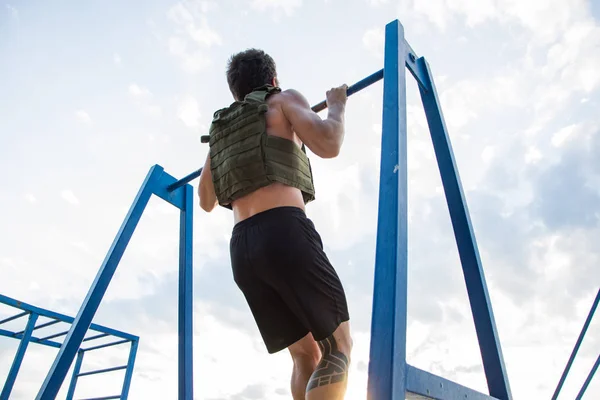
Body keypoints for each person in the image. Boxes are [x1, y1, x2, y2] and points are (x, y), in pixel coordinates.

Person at [197, 48, 352, 400]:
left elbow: (205, 201)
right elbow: (329, 143)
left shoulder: (220, 131)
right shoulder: (282, 100)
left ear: (235, 92)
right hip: (283, 232)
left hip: (243, 251)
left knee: (304, 355)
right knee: (337, 347)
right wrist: (337, 105)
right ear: (273, 80)